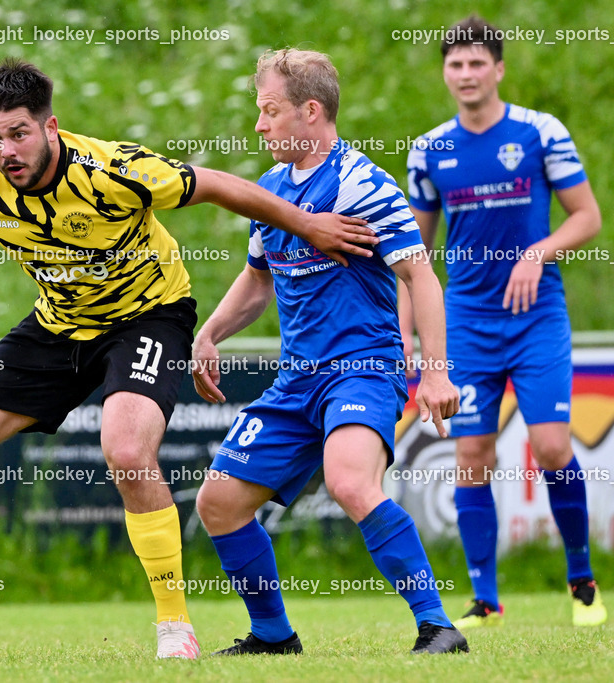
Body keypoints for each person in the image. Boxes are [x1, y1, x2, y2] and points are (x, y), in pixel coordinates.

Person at [0, 57, 376, 659]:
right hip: (61, 324)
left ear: (50, 127)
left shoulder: (112, 170)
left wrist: (310, 227)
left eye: (18, 133)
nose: (5, 150)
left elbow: (219, 185)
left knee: (127, 450)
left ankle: (175, 626)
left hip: (150, 316)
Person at [192, 48, 468, 656]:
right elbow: (258, 279)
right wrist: (210, 332)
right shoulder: (269, 189)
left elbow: (420, 275)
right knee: (219, 503)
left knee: (349, 481)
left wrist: (435, 372)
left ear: (309, 112)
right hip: (297, 382)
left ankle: (438, 625)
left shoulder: (362, 184)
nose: (260, 126)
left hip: (362, 369)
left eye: (270, 112)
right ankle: (273, 636)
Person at [402, 15, 606, 628]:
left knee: (551, 447)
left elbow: (587, 216)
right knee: (472, 455)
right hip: (465, 322)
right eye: (454, 64)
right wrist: (407, 333)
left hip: (537, 316)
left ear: (498, 69)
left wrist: (537, 252)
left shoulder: (541, 132)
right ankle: (486, 600)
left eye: (475, 63)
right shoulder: (428, 149)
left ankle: (582, 581)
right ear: (445, 73)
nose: (465, 74)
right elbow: (413, 256)